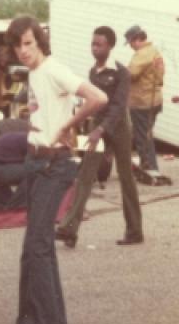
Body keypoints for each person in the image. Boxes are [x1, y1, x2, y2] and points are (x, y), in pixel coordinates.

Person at [4, 16, 108, 324]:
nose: (23, 51)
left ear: (40, 42)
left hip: (54, 164)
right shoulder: (34, 74)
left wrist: (68, 125)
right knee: (35, 246)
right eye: (18, 45)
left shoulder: (52, 69)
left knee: (37, 244)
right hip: (37, 161)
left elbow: (97, 97)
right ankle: (42, 323)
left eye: (28, 43)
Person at [56, 25, 143, 249]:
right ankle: (69, 229)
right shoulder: (93, 72)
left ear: (110, 46)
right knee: (85, 175)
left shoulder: (121, 73)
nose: (94, 48)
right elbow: (93, 103)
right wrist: (86, 124)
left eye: (99, 44)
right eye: (93, 44)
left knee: (126, 178)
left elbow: (118, 107)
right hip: (98, 128)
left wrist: (100, 130)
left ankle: (134, 231)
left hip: (119, 128)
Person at [125, 25, 170, 186]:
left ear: (137, 40)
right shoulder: (154, 51)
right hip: (154, 100)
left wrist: (120, 72)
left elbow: (130, 74)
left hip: (142, 102)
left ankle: (150, 168)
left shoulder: (142, 54)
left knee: (142, 137)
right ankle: (149, 166)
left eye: (130, 42)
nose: (130, 46)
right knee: (147, 135)